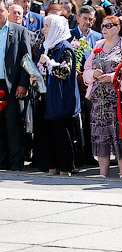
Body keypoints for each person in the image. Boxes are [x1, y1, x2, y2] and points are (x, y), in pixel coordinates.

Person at [82, 15, 122, 179]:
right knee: (101, 136)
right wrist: (93, 73)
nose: (104, 29)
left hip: (118, 100)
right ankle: (102, 173)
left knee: (120, 135)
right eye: (103, 26)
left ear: (117, 27)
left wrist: (113, 76)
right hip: (99, 101)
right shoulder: (98, 46)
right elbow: (86, 71)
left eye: (108, 26)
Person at [37, 14, 80, 176]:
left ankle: (65, 167)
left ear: (56, 28)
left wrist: (47, 62)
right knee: (47, 134)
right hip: (47, 97)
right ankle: (51, 166)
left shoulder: (65, 48)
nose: (44, 29)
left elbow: (65, 71)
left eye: (47, 26)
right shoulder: (45, 46)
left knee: (62, 134)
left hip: (61, 98)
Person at [0, 0, 30, 171]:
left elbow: (26, 60)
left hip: (13, 85)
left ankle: (15, 163)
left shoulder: (19, 31)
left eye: (1, 10)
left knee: (14, 126)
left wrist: (23, 84)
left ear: (7, 11)